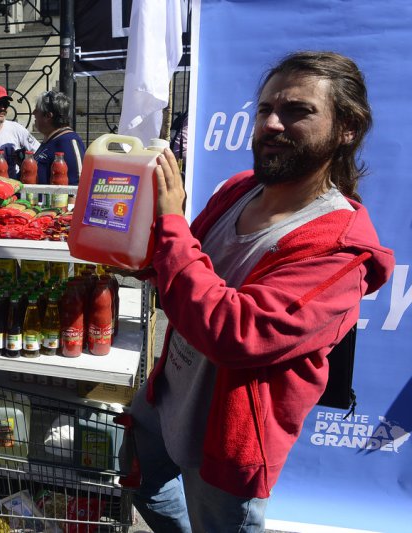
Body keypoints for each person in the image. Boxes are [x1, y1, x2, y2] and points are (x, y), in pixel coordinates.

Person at [128, 51, 395, 532]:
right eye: (265, 109)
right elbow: (186, 273)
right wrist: (134, 252)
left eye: (297, 111)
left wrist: (171, 224)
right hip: (168, 396)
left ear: (347, 128)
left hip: (228, 441)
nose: (272, 123)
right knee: (142, 484)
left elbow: (235, 332)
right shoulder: (238, 189)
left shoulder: (340, 249)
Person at [32, 90, 86, 184]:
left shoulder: (68, 142)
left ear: (48, 116)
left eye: (37, 110)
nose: (33, 113)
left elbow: (77, 184)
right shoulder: (50, 139)